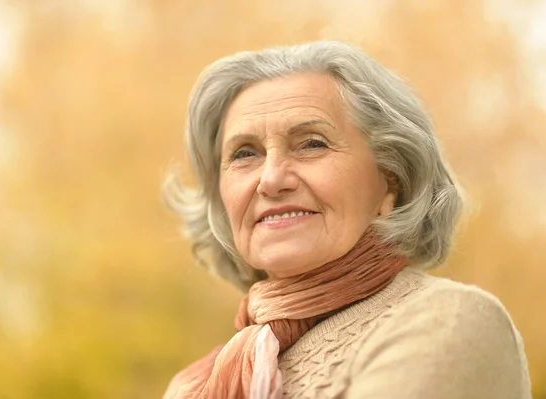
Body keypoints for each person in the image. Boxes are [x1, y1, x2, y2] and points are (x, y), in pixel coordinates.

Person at [161, 41, 531, 398]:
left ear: (391, 180)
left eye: (312, 143)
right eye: (245, 153)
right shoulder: (200, 381)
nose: (271, 180)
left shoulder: (448, 321)